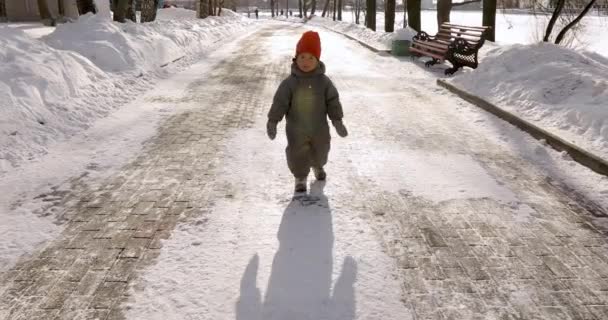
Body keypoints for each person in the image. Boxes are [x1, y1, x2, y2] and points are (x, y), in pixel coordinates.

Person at [266, 31, 348, 193]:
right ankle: (300, 177)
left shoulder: (324, 82)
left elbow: (333, 101)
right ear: (296, 59)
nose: (306, 61)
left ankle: (318, 166)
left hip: (319, 128)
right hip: (296, 129)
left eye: (311, 58)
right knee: (297, 153)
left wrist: (337, 120)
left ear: (318, 60)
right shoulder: (289, 83)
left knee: (322, 149)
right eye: (302, 57)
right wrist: (273, 120)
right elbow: (279, 102)